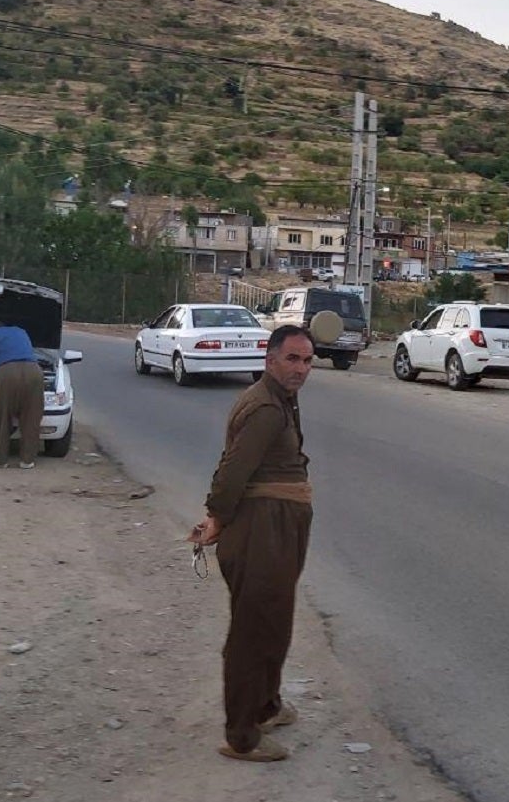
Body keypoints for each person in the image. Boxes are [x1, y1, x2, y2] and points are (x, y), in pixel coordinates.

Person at [188, 325, 317, 764]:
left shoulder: (280, 400)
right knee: (253, 631)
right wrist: (216, 517)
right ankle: (242, 735)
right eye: (292, 359)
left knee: (274, 623)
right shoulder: (265, 408)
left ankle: (266, 707)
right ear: (270, 359)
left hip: (277, 529)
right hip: (262, 531)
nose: (301, 369)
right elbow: (231, 473)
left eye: (307, 361)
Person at [0, 320, 45, 470]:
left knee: (0, 414)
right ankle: (27, 461)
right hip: (35, 371)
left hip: (6, 372)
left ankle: (0, 461)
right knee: (31, 416)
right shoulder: (21, 331)